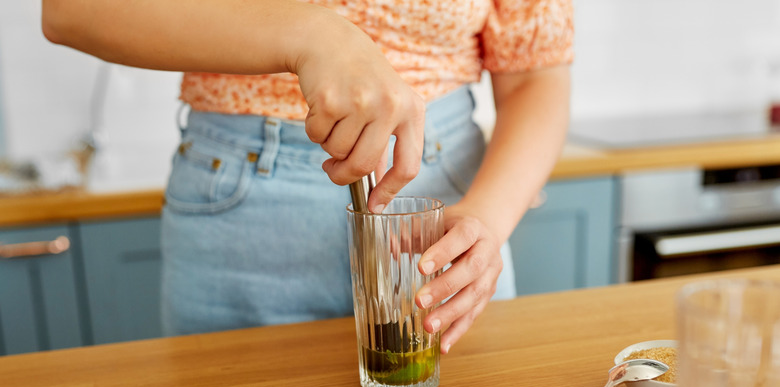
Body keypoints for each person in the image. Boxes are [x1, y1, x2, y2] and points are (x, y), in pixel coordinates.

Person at [41, 0, 573, 354]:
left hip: (448, 210)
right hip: (240, 213)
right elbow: (71, 10)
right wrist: (307, 32)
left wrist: (488, 216)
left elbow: (534, 75)